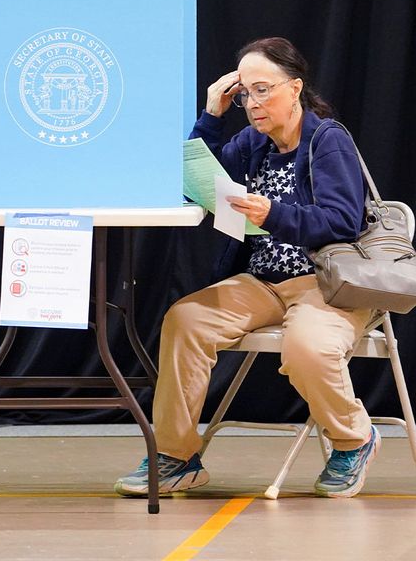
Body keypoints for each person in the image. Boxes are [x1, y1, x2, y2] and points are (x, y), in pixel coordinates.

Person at [115, 37, 381, 499]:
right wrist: (212, 116)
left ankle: (354, 438)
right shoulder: (252, 142)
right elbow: (196, 175)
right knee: (186, 319)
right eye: (244, 94)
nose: (252, 103)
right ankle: (178, 456)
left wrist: (272, 214)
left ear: (295, 88)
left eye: (263, 90)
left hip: (327, 283)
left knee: (307, 348)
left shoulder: (327, 139)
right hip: (263, 282)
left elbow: (344, 221)